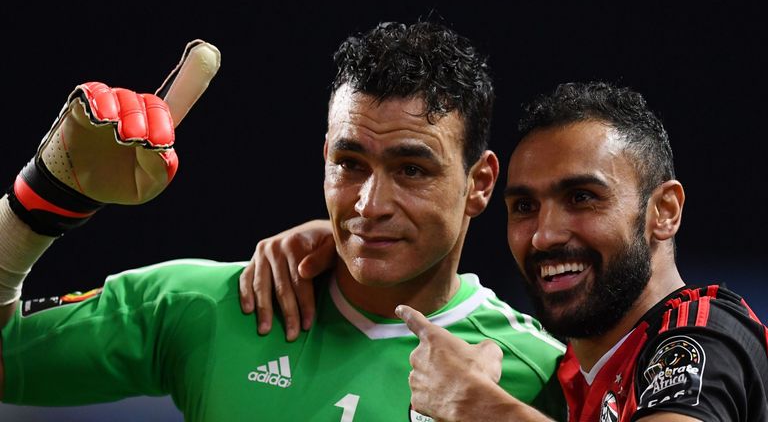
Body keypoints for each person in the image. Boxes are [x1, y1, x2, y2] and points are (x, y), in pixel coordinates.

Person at [0, 22, 567, 421]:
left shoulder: (538, 375)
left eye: (412, 169)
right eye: (349, 163)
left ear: (481, 184)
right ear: (324, 158)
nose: (370, 203)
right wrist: (43, 200)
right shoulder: (207, 306)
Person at [243, 81, 768, 421]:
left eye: (581, 198)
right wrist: (348, 239)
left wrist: (476, 405)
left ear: (665, 211)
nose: (544, 234)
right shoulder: (565, 378)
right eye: (523, 207)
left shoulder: (701, 332)